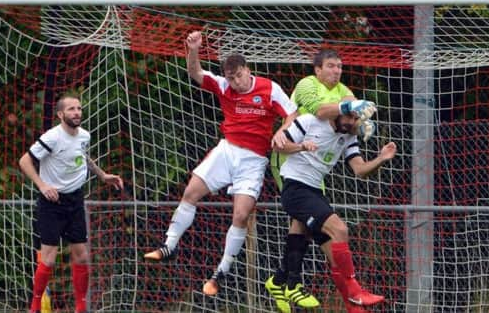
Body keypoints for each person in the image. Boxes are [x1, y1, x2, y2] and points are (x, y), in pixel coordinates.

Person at [144, 30, 298, 297]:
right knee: (190, 191)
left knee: (240, 215)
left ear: (247, 70)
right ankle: (169, 245)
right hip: (226, 150)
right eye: (230, 78)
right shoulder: (224, 86)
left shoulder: (269, 88)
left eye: (238, 76)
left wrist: (283, 130)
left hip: (253, 159)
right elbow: (196, 73)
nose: (235, 82)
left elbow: (292, 113)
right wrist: (193, 49)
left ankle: (220, 273)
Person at [267, 48, 377, 312]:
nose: (336, 71)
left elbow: (351, 120)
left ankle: (282, 281)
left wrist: (359, 123)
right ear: (318, 69)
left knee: (326, 241)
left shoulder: (344, 91)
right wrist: (349, 107)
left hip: (315, 176)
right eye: (330, 66)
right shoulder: (307, 84)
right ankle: (292, 284)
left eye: (339, 66)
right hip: (292, 158)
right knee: (322, 226)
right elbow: (319, 111)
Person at [268, 111, 396, 313]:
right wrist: (302, 146)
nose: (353, 123)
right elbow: (278, 146)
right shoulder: (310, 121)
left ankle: (353, 308)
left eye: (356, 120)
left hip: (315, 192)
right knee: (340, 230)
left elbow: (360, 170)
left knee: (335, 256)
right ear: (339, 113)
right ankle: (355, 292)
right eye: (350, 117)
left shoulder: (349, 137)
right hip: (295, 188)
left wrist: (381, 158)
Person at [19, 94, 124, 313]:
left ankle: (81, 307)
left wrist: (102, 175)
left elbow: (83, 156)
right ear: (60, 114)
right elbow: (25, 161)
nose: (77, 112)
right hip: (52, 203)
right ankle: (35, 306)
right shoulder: (52, 138)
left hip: (75, 201)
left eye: (79, 108)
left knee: (82, 254)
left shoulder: (84, 136)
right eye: (71, 109)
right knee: (48, 258)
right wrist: (42, 185)